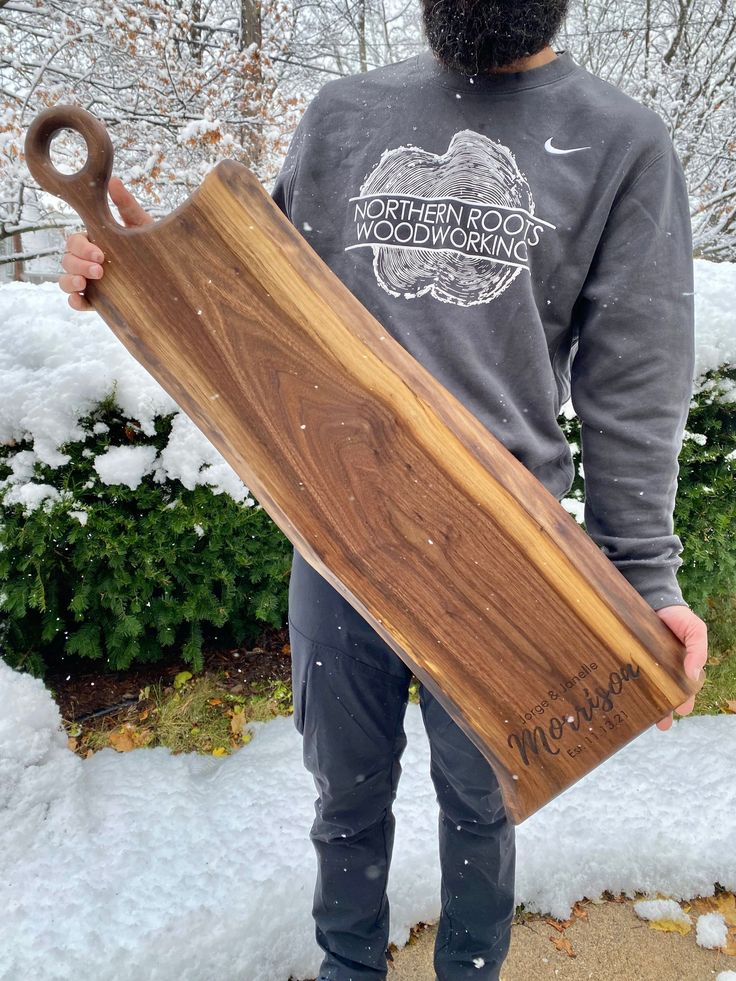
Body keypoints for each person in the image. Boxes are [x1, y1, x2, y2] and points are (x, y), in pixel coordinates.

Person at [59, 2, 709, 978]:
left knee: (481, 805)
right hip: (339, 548)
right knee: (345, 800)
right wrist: (134, 269)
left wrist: (645, 582)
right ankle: (347, 969)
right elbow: (256, 306)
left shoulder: (620, 143)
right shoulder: (343, 115)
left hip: (507, 572)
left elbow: (634, 387)